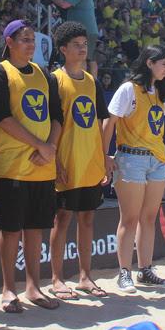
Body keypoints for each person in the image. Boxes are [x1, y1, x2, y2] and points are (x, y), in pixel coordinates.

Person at [0, 20, 63, 313]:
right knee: (10, 230)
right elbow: (2, 118)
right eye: (25, 39)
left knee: (35, 229)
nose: (31, 44)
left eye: (33, 40)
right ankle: (8, 289)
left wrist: (50, 147)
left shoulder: (44, 74)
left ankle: (33, 286)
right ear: (9, 42)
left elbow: (57, 116)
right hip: (14, 165)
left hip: (42, 166)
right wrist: (40, 145)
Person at [101, 45, 165, 293]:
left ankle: (145, 270)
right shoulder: (128, 89)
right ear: (149, 63)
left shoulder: (160, 91)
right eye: (163, 63)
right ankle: (124, 272)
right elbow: (109, 122)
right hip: (131, 158)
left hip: (157, 160)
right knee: (130, 218)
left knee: (149, 218)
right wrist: (104, 156)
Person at [48, 22, 110, 300]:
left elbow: (98, 122)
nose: (83, 48)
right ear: (63, 49)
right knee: (61, 220)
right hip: (65, 161)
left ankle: (85, 277)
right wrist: (55, 160)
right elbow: (50, 124)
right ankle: (57, 279)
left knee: (87, 219)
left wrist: (103, 157)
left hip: (90, 163)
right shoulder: (54, 80)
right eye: (76, 44)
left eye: (84, 43)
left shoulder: (92, 81)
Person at [47, 0, 99, 77]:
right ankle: (91, 81)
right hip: (87, 31)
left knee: (83, 57)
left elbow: (64, 5)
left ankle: (84, 81)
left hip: (86, 31)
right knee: (89, 58)